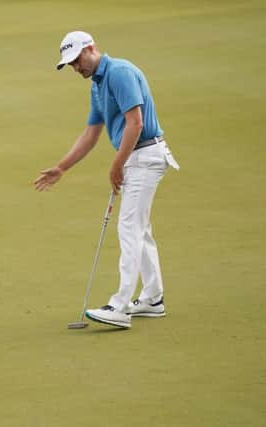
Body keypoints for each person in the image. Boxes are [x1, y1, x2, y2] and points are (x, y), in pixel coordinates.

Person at [34, 31, 180, 328]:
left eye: (78, 61)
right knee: (141, 228)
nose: (77, 68)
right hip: (136, 157)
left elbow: (136, 123)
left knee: (129, 227)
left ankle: (120, 307)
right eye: (71, 65)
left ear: (91, 49)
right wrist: (62, 168)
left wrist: (117, 164)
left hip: (145, 155)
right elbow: (91, 133)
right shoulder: (98, 86)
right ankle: (152, 298)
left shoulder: (119, 72)